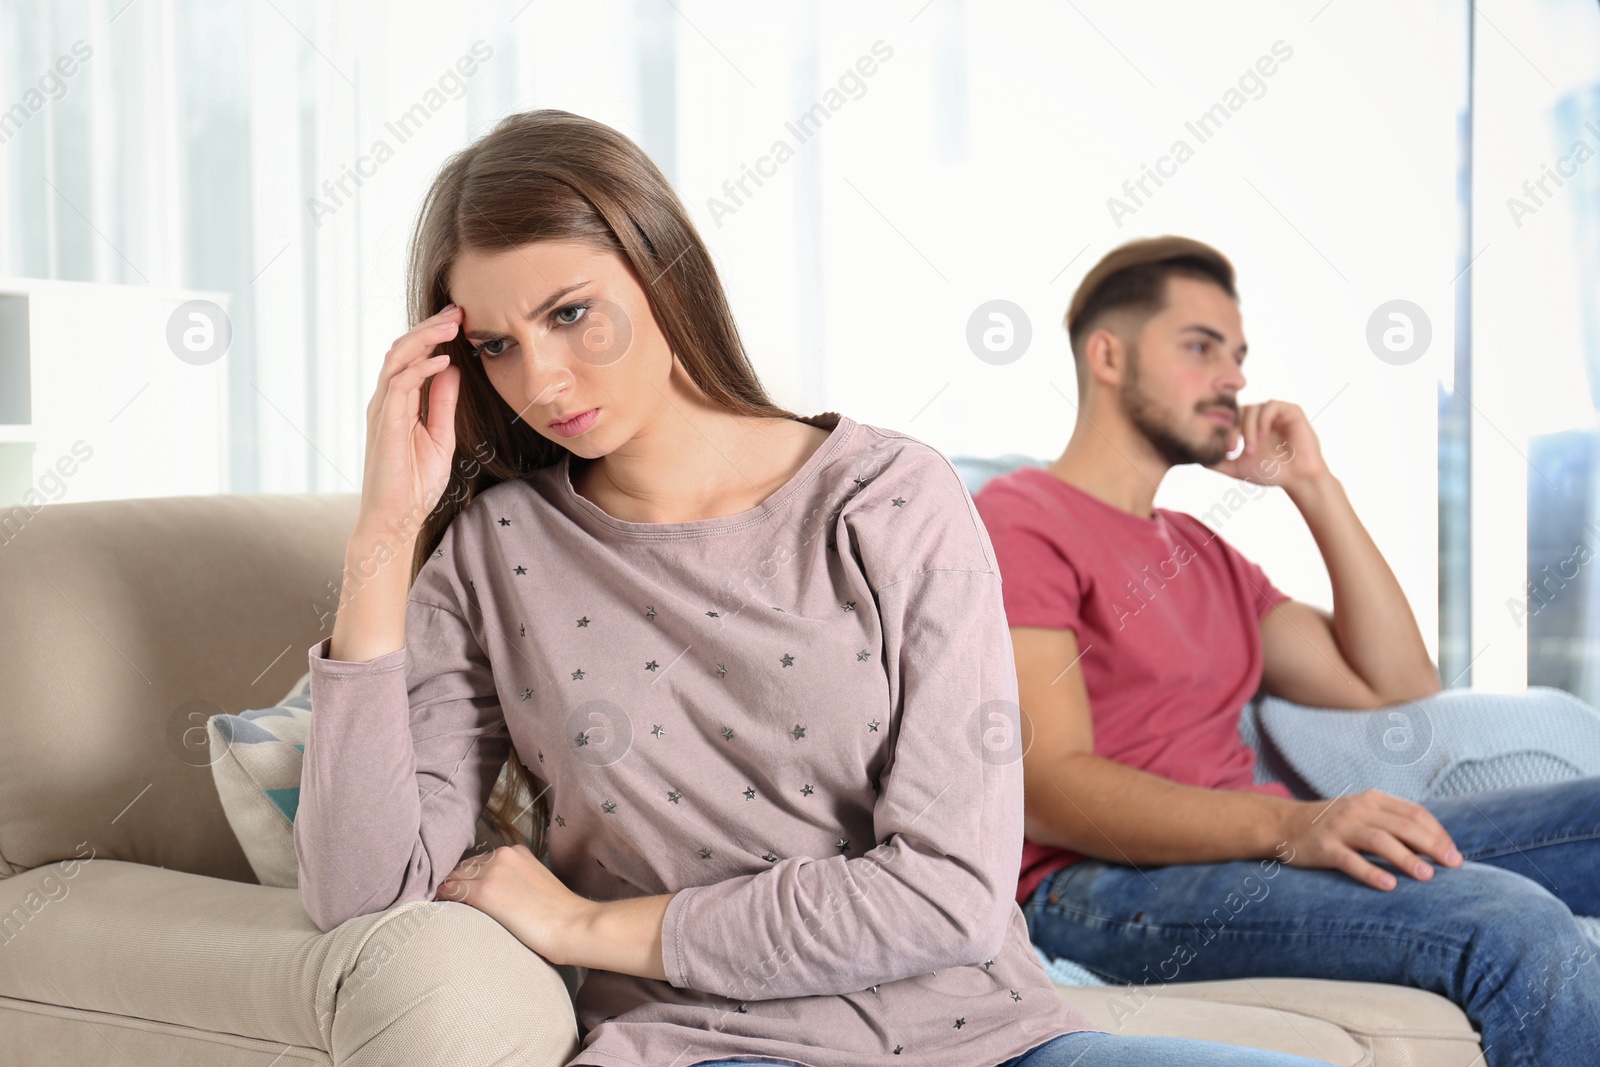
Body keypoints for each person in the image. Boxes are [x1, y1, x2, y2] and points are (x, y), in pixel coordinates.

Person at [290, 114, 1323, 1067]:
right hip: (705, 1047)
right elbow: (362, 893)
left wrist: (589, 926)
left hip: (991, 1036)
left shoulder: (889, 497)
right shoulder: (488, 555)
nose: (543, 380)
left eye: (572, 315)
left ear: (664, 273)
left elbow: (951, 894)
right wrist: (386, 529)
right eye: (497, 347)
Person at [972, 234, 1600, 1066]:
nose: (1233, 377)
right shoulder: (1020, 517)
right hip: (1094, 883)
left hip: (1245, 849)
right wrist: (1290, 823)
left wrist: (1314, 484)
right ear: (1108, 354)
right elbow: (1050, 787)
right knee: (1515, 925)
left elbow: (1399, 685)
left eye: (1237, 355)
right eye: (1200, 347)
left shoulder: (1202, 549)